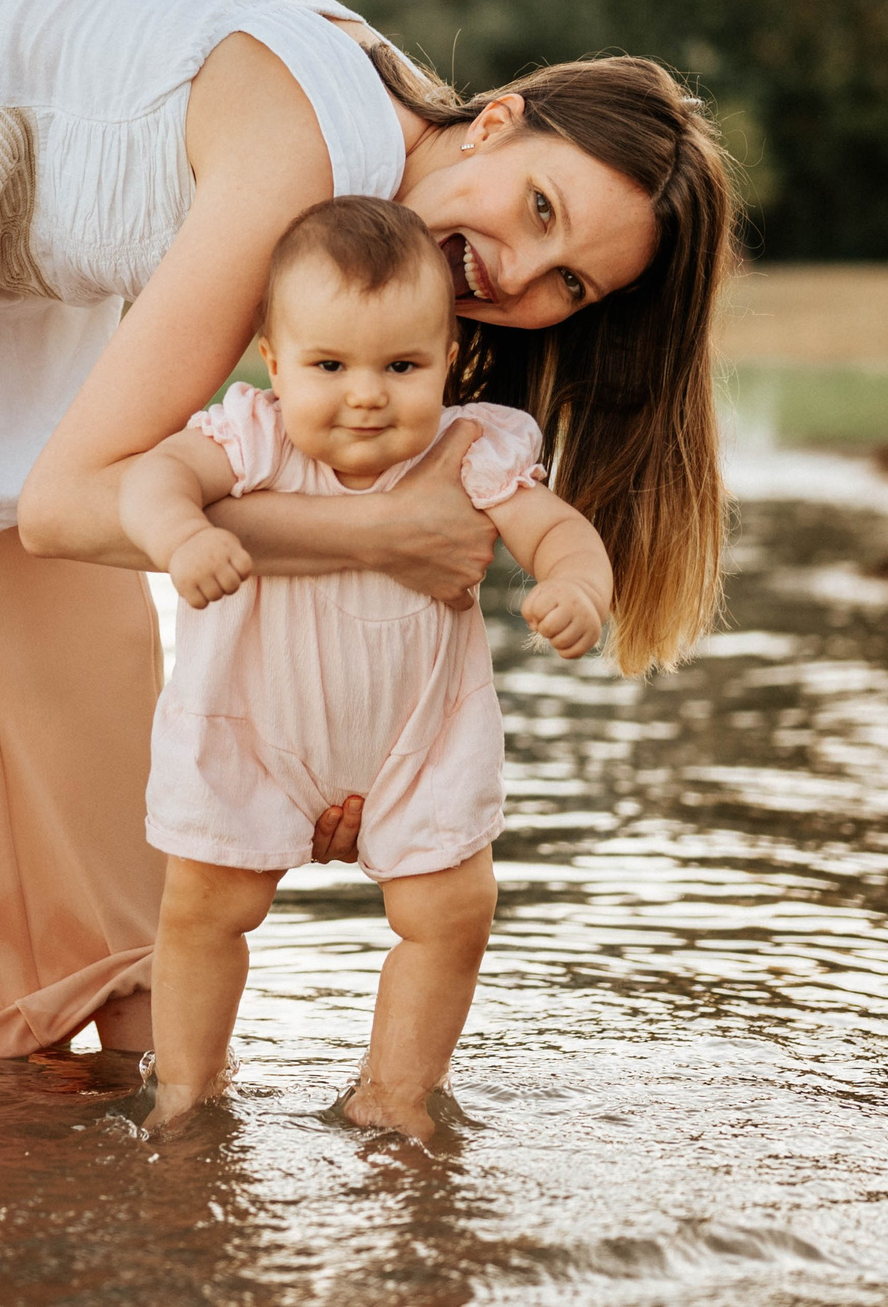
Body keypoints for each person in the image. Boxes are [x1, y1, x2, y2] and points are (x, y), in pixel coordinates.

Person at [0, 0, 734, 1130]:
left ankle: (84, 1090)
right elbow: (68, 504)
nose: (516, 274)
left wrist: (359, 757)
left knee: (73, 651)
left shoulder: (363, 250)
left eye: (568, 281)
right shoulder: (310, 157)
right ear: (499, 118)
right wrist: (375, 538)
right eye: (539, 209)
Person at [117, 196, 615, 1137]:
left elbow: (557, 529)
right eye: (330, 365)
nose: (366, 394)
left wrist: (578, 586)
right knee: (201, 912)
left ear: (447, 362)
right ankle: (185, 1088)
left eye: (401, 366)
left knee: (455, 913)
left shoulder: (469, 451)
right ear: (275, 361)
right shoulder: (254, 438)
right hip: (253, 735)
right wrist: (182, 534)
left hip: (419, 745)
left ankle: (396, 1093)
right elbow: (151, 478)